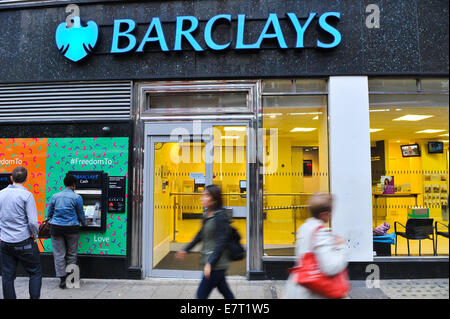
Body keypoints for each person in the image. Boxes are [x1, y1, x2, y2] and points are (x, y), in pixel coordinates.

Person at [283, 192, 348, 299]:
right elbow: (331, 267)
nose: (331, 215)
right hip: (312, 291)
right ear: (324, 214)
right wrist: (341, 248)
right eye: (330, 212)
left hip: (298, 285)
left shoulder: (304, 227)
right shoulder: (321, 232)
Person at [175, 184, 235, 299]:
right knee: (226, 292)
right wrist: (185, 250)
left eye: (206, 196)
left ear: (214, 199)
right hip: (212, 264)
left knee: (201, 295)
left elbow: (221, 242)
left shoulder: (220, 217)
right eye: (203, 195)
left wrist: (210, 263)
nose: (202, 198)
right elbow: (200, 235)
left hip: (215, 265)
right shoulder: (208, 214)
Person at [0, 166, 42, 299]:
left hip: (5, 242)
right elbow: (33, 222)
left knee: (7, 276)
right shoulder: (27, 195)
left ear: (11, 178)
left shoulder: (1, 194)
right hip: (24, 241)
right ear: (26, 179)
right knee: (35, 272)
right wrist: (35, 236)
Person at [47, 174, 86, 289]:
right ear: (74, 184)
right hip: (71, 228)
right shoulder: (77, 197)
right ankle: (71, 277)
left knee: (59, 254)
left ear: (64, 184)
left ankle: (62, 279)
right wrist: (85, 223)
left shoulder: (55, 196)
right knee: (72, 253)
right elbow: (81, 214)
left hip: (56, 228)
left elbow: (49, 213)